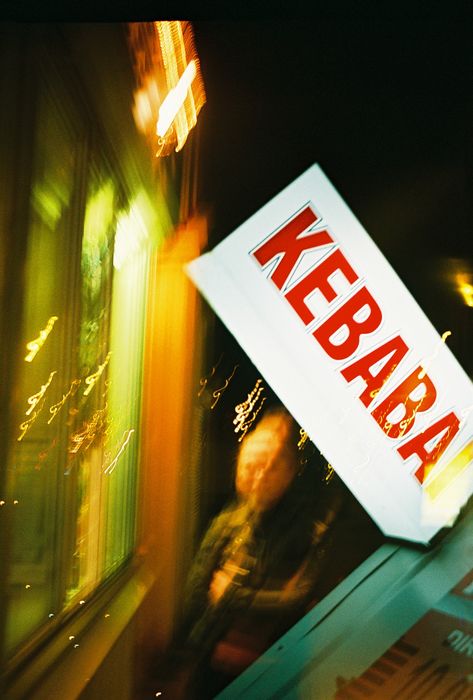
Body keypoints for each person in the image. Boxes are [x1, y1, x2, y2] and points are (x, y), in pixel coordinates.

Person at [171, 407, 343, 698]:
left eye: (270, 466)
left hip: (272, 667)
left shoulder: (304, 528)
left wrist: (232, 595)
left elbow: (299, 598)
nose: (259, 476)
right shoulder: (227, 522)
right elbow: (197, 591)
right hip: (213, 660)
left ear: (289, 472)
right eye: (250, 466)